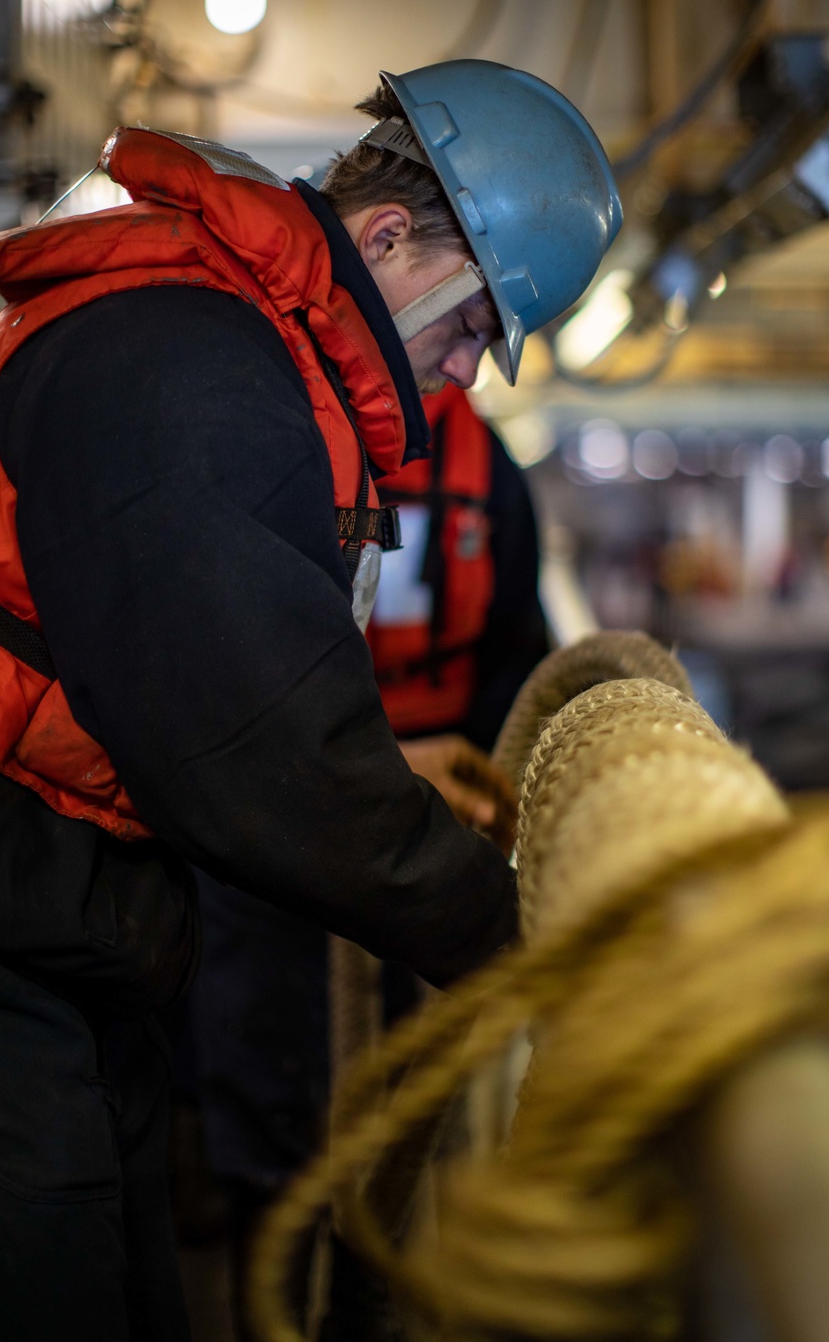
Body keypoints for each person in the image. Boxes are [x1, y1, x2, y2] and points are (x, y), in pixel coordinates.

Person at [0, 58, 621, 1342]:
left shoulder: (221, 339)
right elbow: (263, 752)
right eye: (476, 326)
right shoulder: (190, 372)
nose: (470, 374)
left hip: (48, 901)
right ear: (386, 239)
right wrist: (522, 939)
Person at [181, 382, 548, 1338]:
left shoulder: (484, 474)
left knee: (398, 1088)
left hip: (420, 845)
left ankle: (355, 1282)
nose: (465, 358)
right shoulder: (280, 433)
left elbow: (514, 656)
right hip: (272, 833)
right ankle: (269, 1272)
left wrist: (497, 791)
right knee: (264, 1073)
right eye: (464, 327)